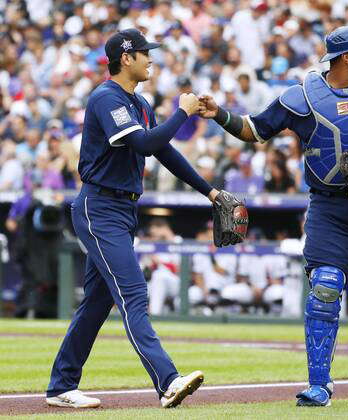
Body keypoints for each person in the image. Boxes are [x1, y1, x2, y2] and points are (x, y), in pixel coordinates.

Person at [199, 25, 348, 408]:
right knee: (323, 287)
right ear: (346, 58)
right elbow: (254, 129)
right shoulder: (300, 97)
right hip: (328, 206)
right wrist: (218, 113)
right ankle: (319, 384)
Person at [45, 28, 232, 410]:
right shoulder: (105, 97)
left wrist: (211, 192)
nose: (152, 59)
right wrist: (183, 111)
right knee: (133, 293)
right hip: (99, 207)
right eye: (146, 53)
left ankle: (61, 385)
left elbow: (164, 151)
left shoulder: (140, 102)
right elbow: (144, 144)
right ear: (126, 58)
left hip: (123, 208)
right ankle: (167, 381)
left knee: (97, 302)